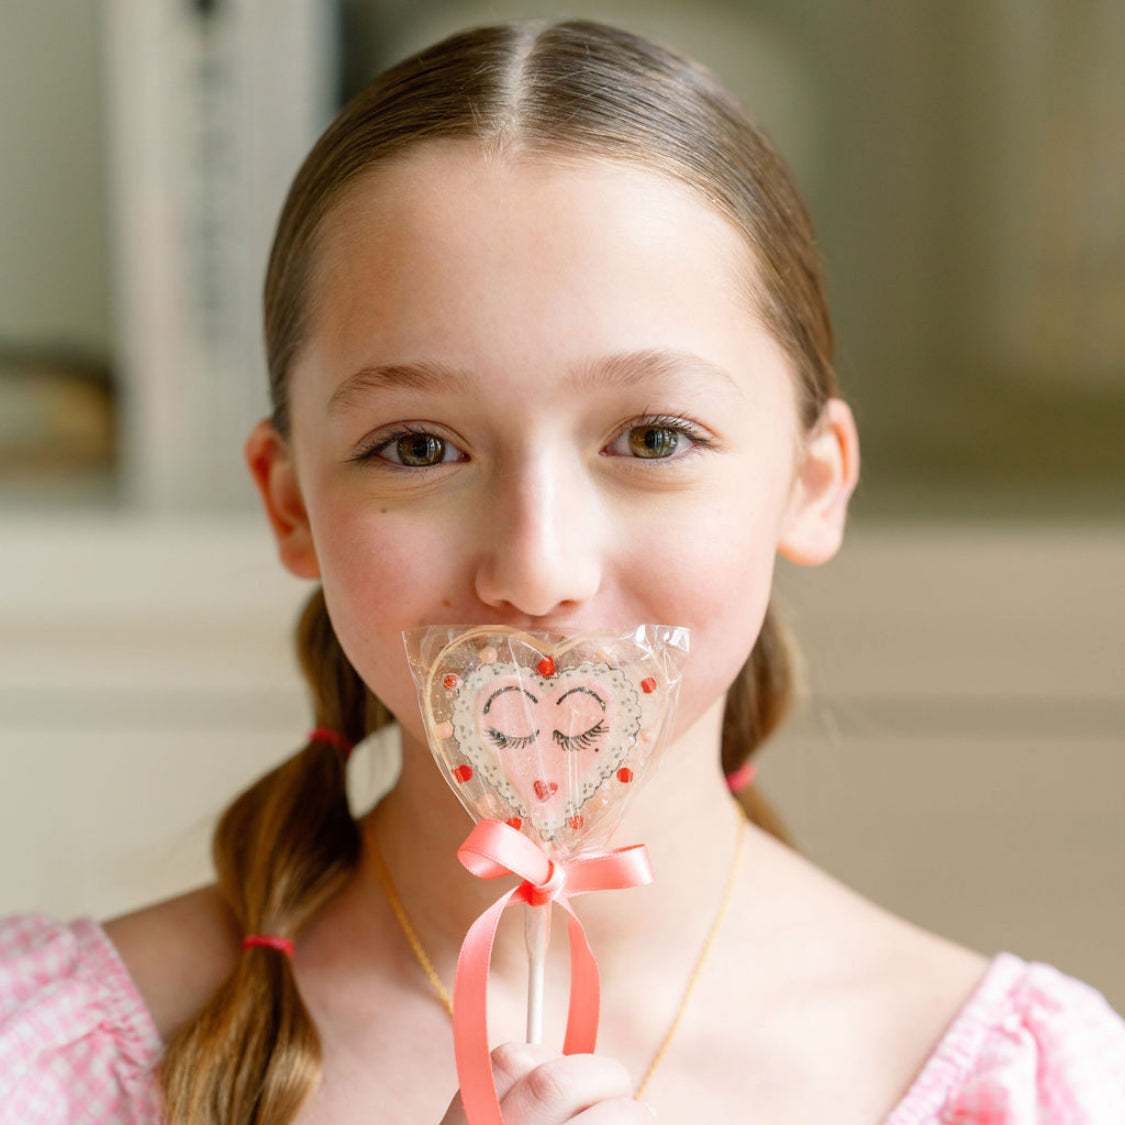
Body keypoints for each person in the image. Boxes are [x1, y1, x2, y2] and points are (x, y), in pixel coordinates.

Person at [2, 18, 1123, 1125]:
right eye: (419, 447)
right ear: (291, 501)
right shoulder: (39, 1065)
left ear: (813, 482)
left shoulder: (1037, 1092)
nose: (537, 570)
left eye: (652, 439)